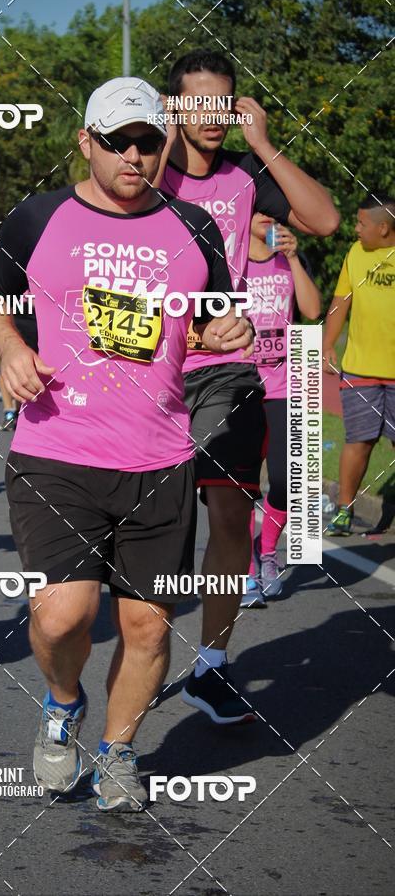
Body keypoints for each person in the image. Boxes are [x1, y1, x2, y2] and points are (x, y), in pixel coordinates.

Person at [0, 77, 254, 812]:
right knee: (62, 615)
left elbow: (218, 320)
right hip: (57, 449)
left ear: (164, 146)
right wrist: (8, 348)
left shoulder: (194, 226)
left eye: (148, 142)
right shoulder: (38, 217)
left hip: (159, 455)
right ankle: (63, 705)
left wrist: (234, 329)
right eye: (118, 141)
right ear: (87, 143)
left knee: (145, 624)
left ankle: (119, 750)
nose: (135, 155)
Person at [156, 50, 339, 722]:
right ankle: (140, 649)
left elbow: (322, 222)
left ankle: (212, 664)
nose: (213, 117)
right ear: (174, 107)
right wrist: (166, 134)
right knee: (156, 530)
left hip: (226, 374)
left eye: (222, 104)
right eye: (196, 103)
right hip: (152, 372)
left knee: (231, 515)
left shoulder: (244, 178)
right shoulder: (146, 173)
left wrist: (262, 142)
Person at [241, 214, 321, 605]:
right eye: (262, 214)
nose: (269, 221)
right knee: (239, 485)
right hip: (238, 384)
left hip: (284, 385)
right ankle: (247, 570)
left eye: (276, 217)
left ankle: (267, 551)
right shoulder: (230, 259)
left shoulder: (289, 261)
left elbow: (311, 309)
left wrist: (292, 258)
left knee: (288, 479)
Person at [323, 193, 395, 535]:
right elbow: (341, 301)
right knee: (358, 441)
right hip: (360, 369)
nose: (355, 229)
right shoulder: (356, 254)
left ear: (384, 229)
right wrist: (326, 345)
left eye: (361, 224)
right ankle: (343, 511)